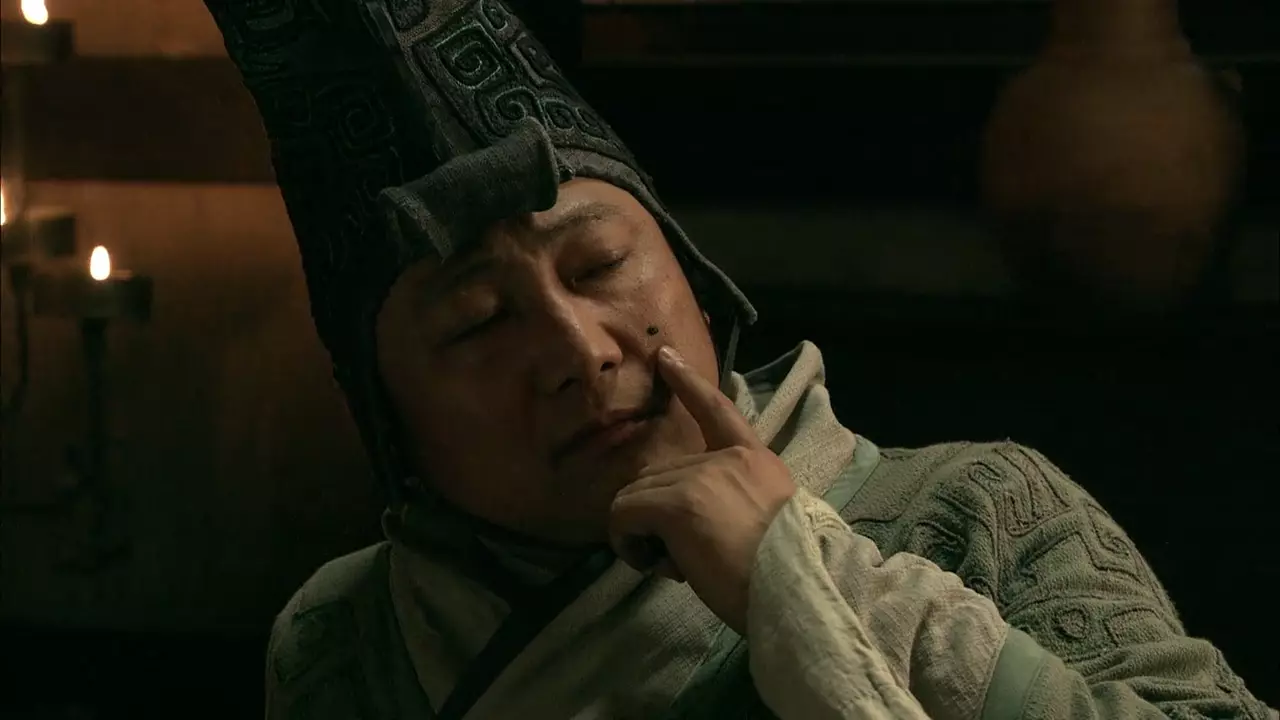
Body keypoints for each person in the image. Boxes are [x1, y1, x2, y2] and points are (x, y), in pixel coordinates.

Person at [202, 0, 1274, 718]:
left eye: (599, 264)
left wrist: (799, 576)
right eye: (479, 322)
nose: (578, 350)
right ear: (390, 416)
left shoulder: (981, 508)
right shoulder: (346, 640)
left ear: (697, 282)